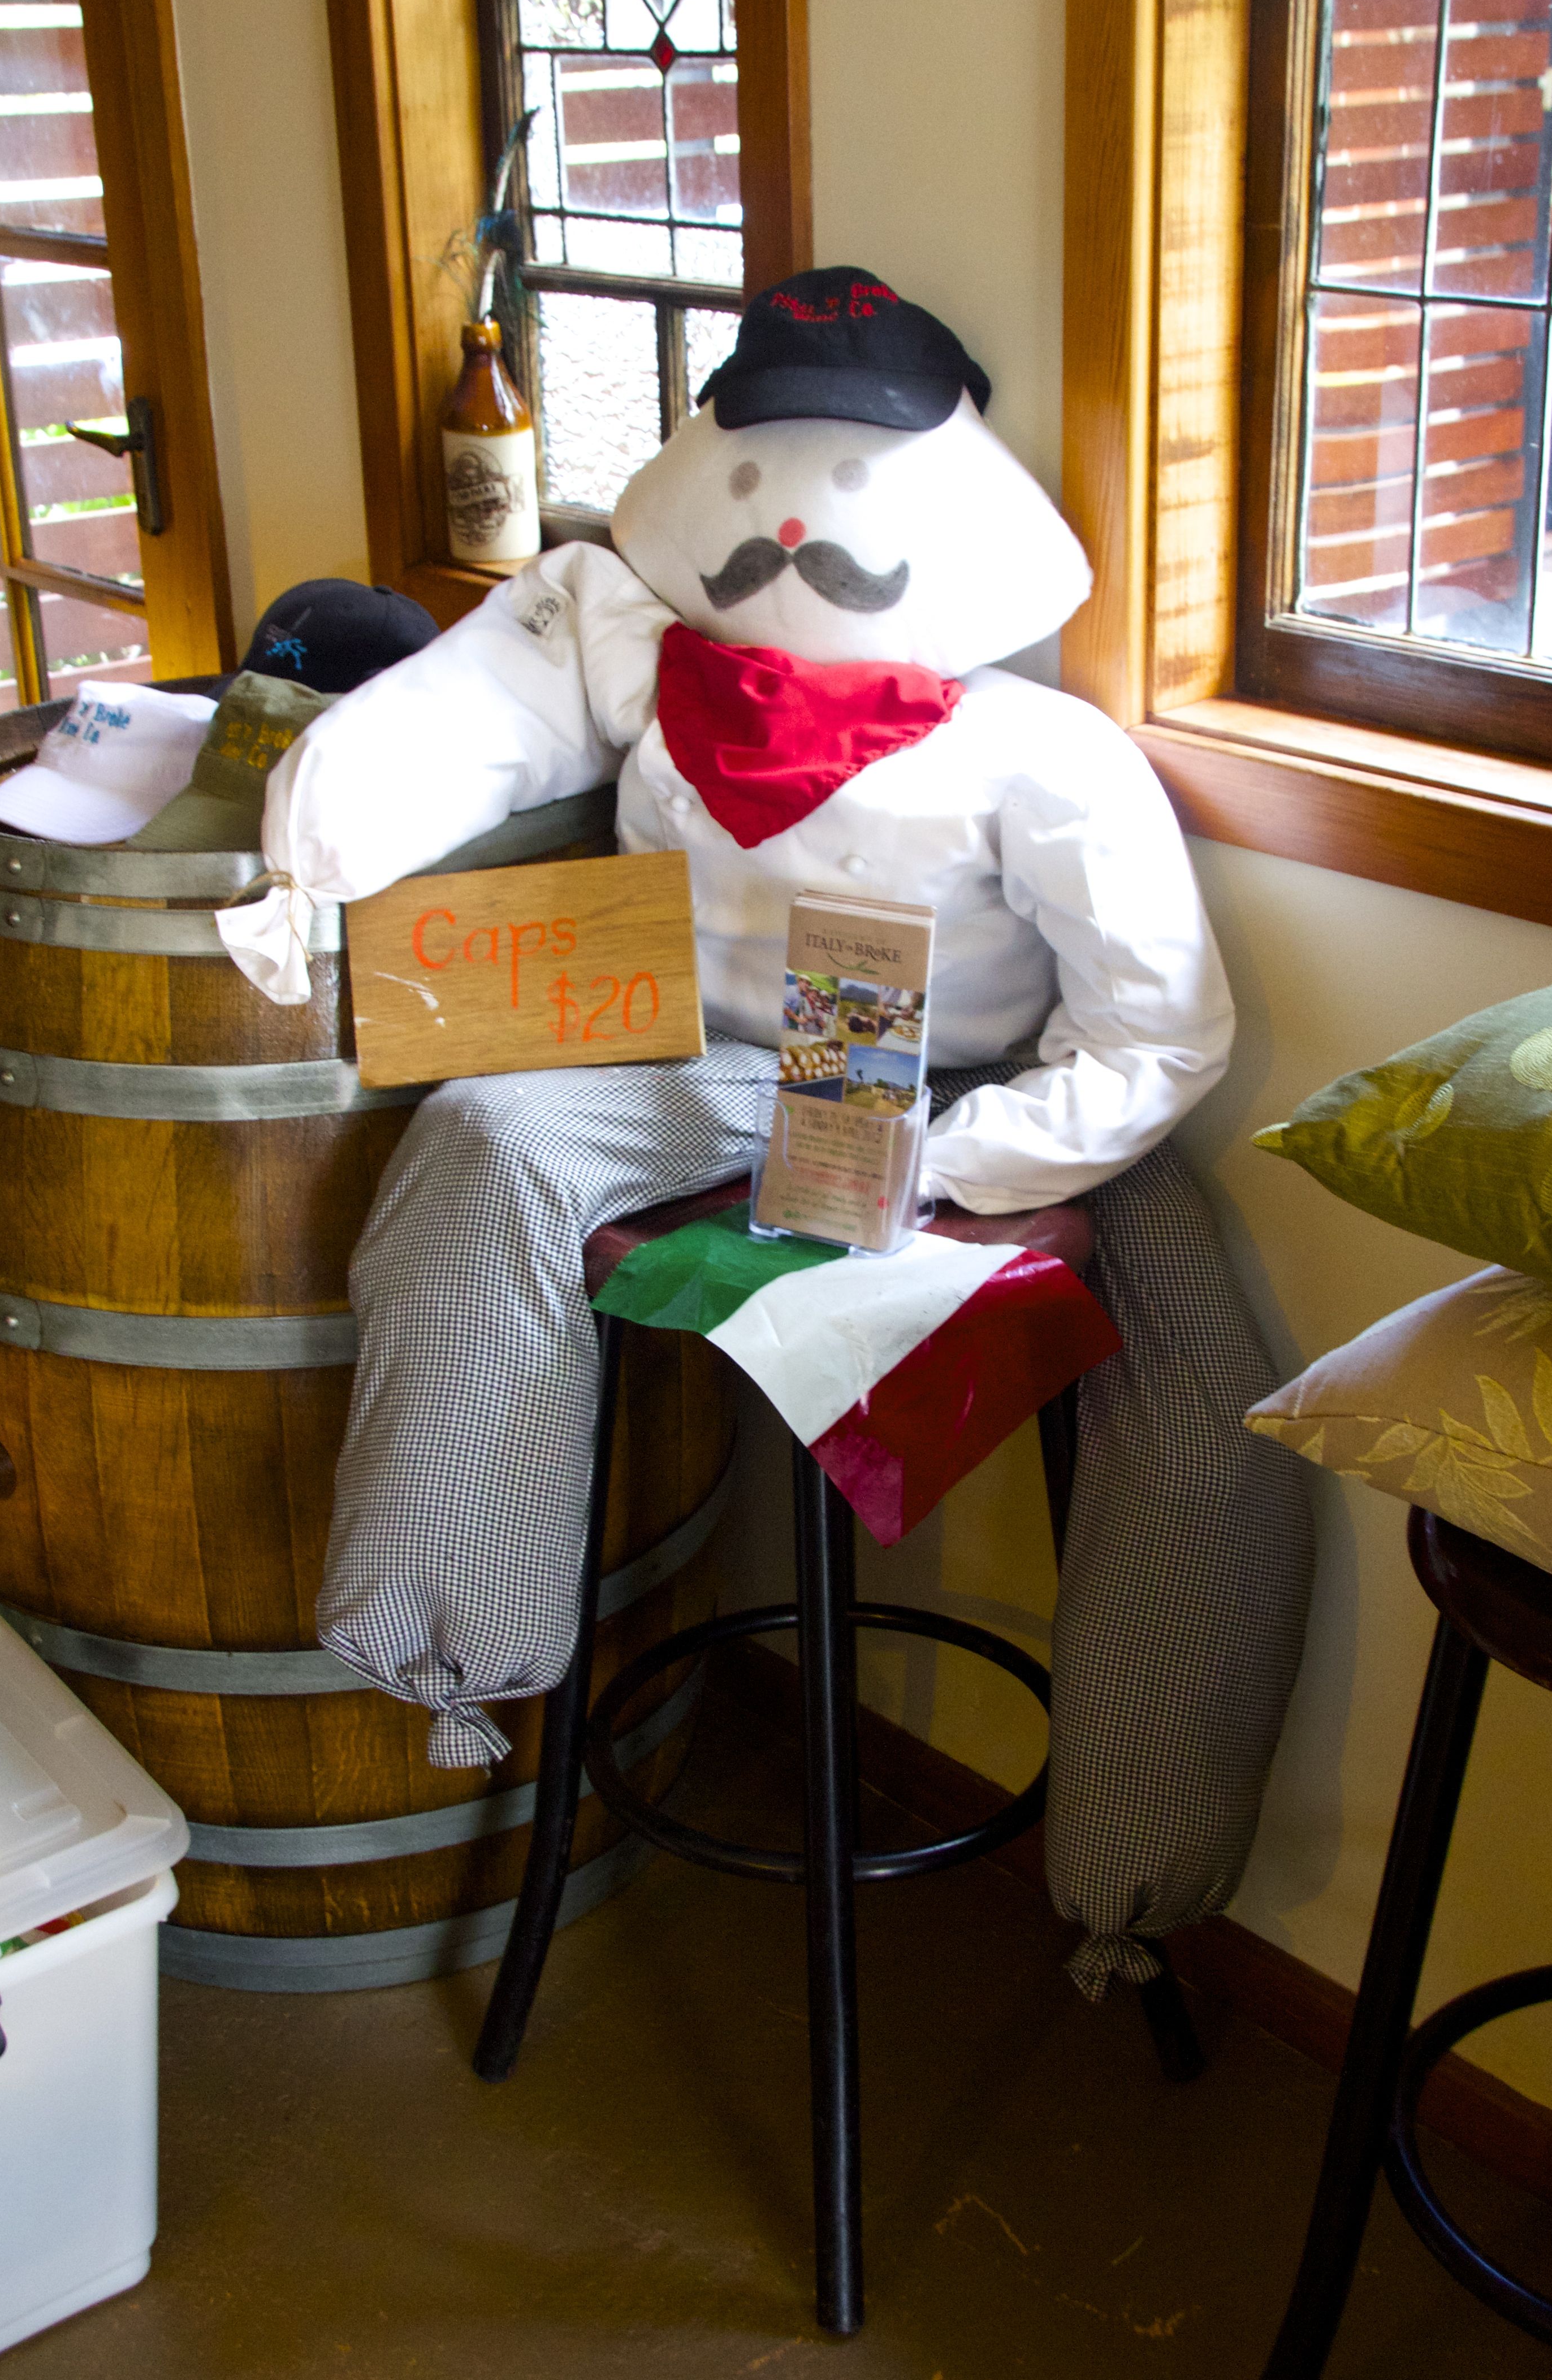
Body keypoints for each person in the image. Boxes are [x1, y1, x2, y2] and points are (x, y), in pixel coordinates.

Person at [218, 268, 1312, 1994]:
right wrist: (313, 854)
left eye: (848, 479)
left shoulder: (1041, 754)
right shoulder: (647, 661)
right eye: (757, 472)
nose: (793, 526)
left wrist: (963, 1163)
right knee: (486, 1137)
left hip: (960, 1095)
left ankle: (1133, 1871)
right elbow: (480, 701)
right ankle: (457, 1641)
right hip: (703, 1060)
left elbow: (1156, 1026)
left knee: (1207, 1392)